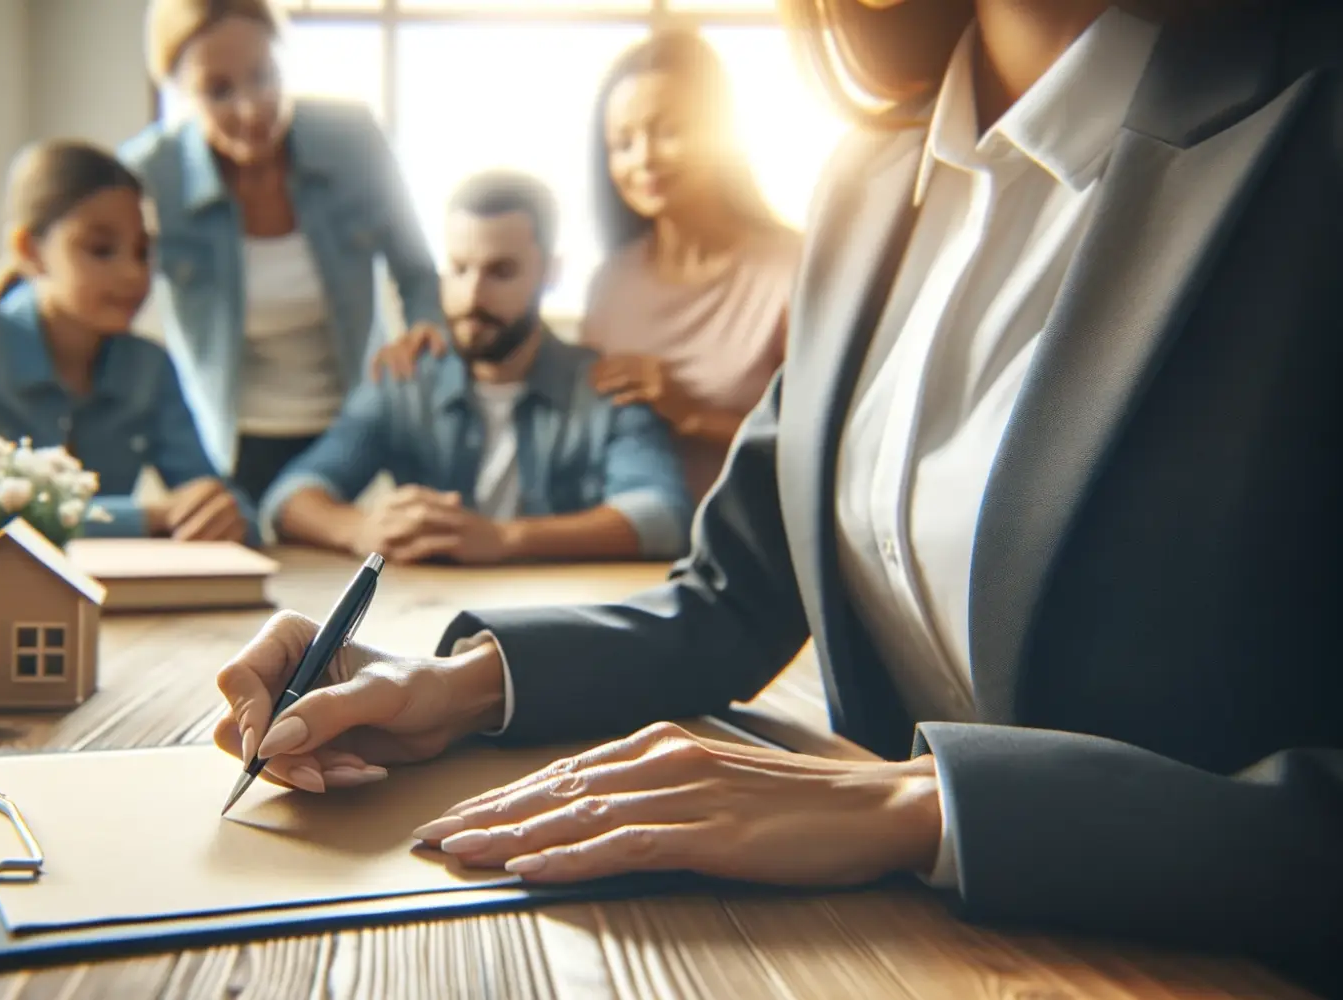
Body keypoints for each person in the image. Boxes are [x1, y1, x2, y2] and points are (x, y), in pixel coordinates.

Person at [209, 0, 1343, 993]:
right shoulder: (870, 175)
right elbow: (734, 592)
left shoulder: (1307, 127)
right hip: (870, 956)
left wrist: (924, 806)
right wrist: (455, 685)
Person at [0, 0, 444, 505]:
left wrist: (423, 334)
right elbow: (63, 233)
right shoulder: (153, 171)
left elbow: (418, 270)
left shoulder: (353, 139)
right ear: (176, 91)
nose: (251, 109)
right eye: (218, 90)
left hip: (349, 421)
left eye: (265, 76)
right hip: (232, 433)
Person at [377, 29, 801, 503]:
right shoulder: (612, 281)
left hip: (758, 549)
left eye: (669, 131)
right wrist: (437, 340)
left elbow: (829, 442)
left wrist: (694, 414)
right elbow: (580, 413)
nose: (644, 159)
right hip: (632, 549)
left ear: (723, 130)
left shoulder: (794, 272)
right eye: (622, 142)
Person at [0, 141, 253, 577]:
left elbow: (227, 507)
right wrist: (140, 519)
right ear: (30, 250)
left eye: (142, 251)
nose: (133, 274)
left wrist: (223, 514)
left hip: (63, 616)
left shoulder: (148, 370)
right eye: (100, 250)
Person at [260, 170, 693, 566]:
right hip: (424, 621)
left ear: (550, 272)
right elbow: (289, 496)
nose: (471, 296)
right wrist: (358, 529)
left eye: (500, 271)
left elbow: (662, 516)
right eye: (459, 268)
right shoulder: (407, 378)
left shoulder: (603, 386)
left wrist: (506, 539)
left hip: (558, 624)